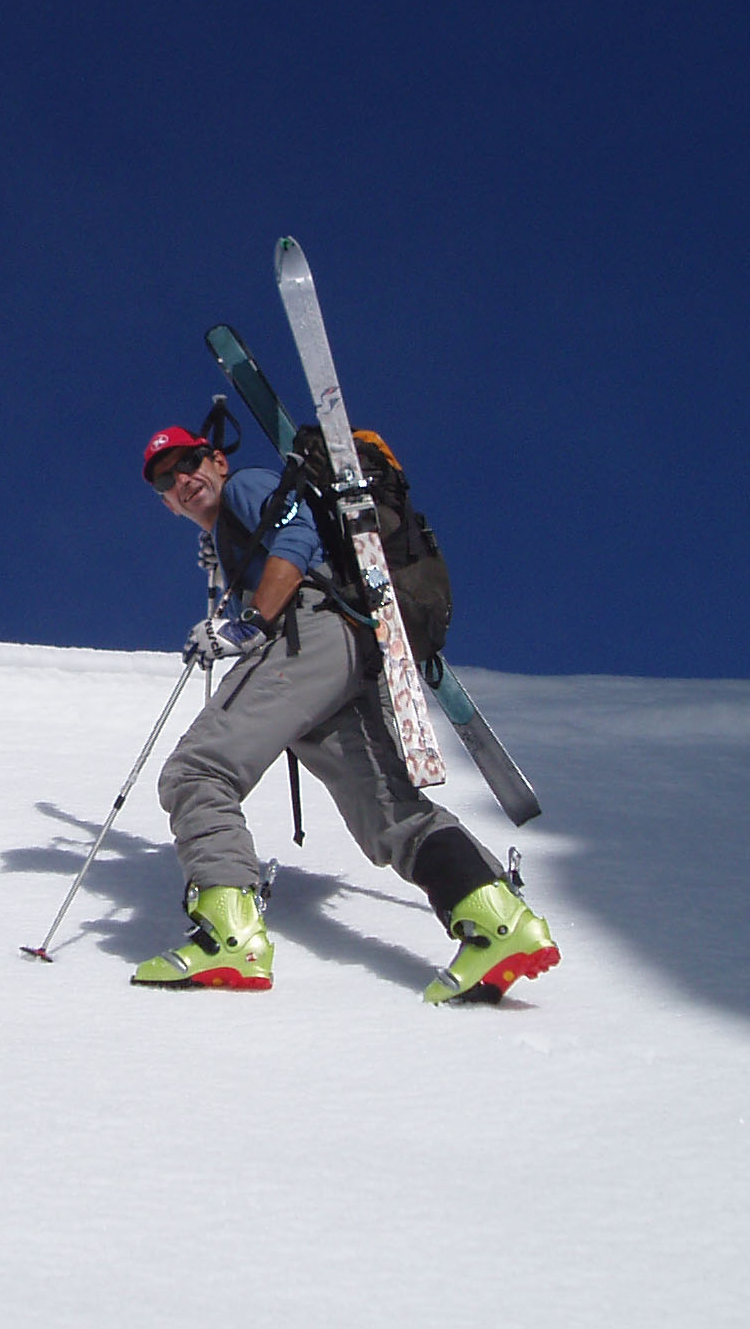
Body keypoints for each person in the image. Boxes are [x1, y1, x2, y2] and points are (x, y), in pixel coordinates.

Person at [133, 425, 560, 1002]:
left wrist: (250, 621)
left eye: (189, 464)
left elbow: (297, 536)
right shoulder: (233, 527)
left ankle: (227, 937)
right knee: (389, 814)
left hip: (306, 636)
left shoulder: (250, 485)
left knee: (198, 771)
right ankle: (497, 923)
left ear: (217, 461)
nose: (181, 481)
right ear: (164, 502)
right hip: (350, 652)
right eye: (166, 479)